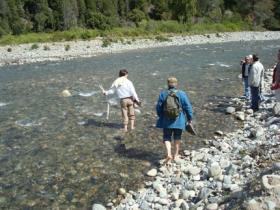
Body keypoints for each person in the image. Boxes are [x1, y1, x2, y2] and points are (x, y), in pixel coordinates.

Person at [156, 77, 193, 163]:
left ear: (168, 84)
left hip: (166, 120)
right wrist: (190, 118)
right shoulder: (182, 93)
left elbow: (158, 108)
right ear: (176, 84)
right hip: (179, 120)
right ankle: (176, 155)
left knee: (166, 137)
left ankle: (168, 154)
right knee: (177, 137)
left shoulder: (163, 94)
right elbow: (188, 107)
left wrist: (161, 116)